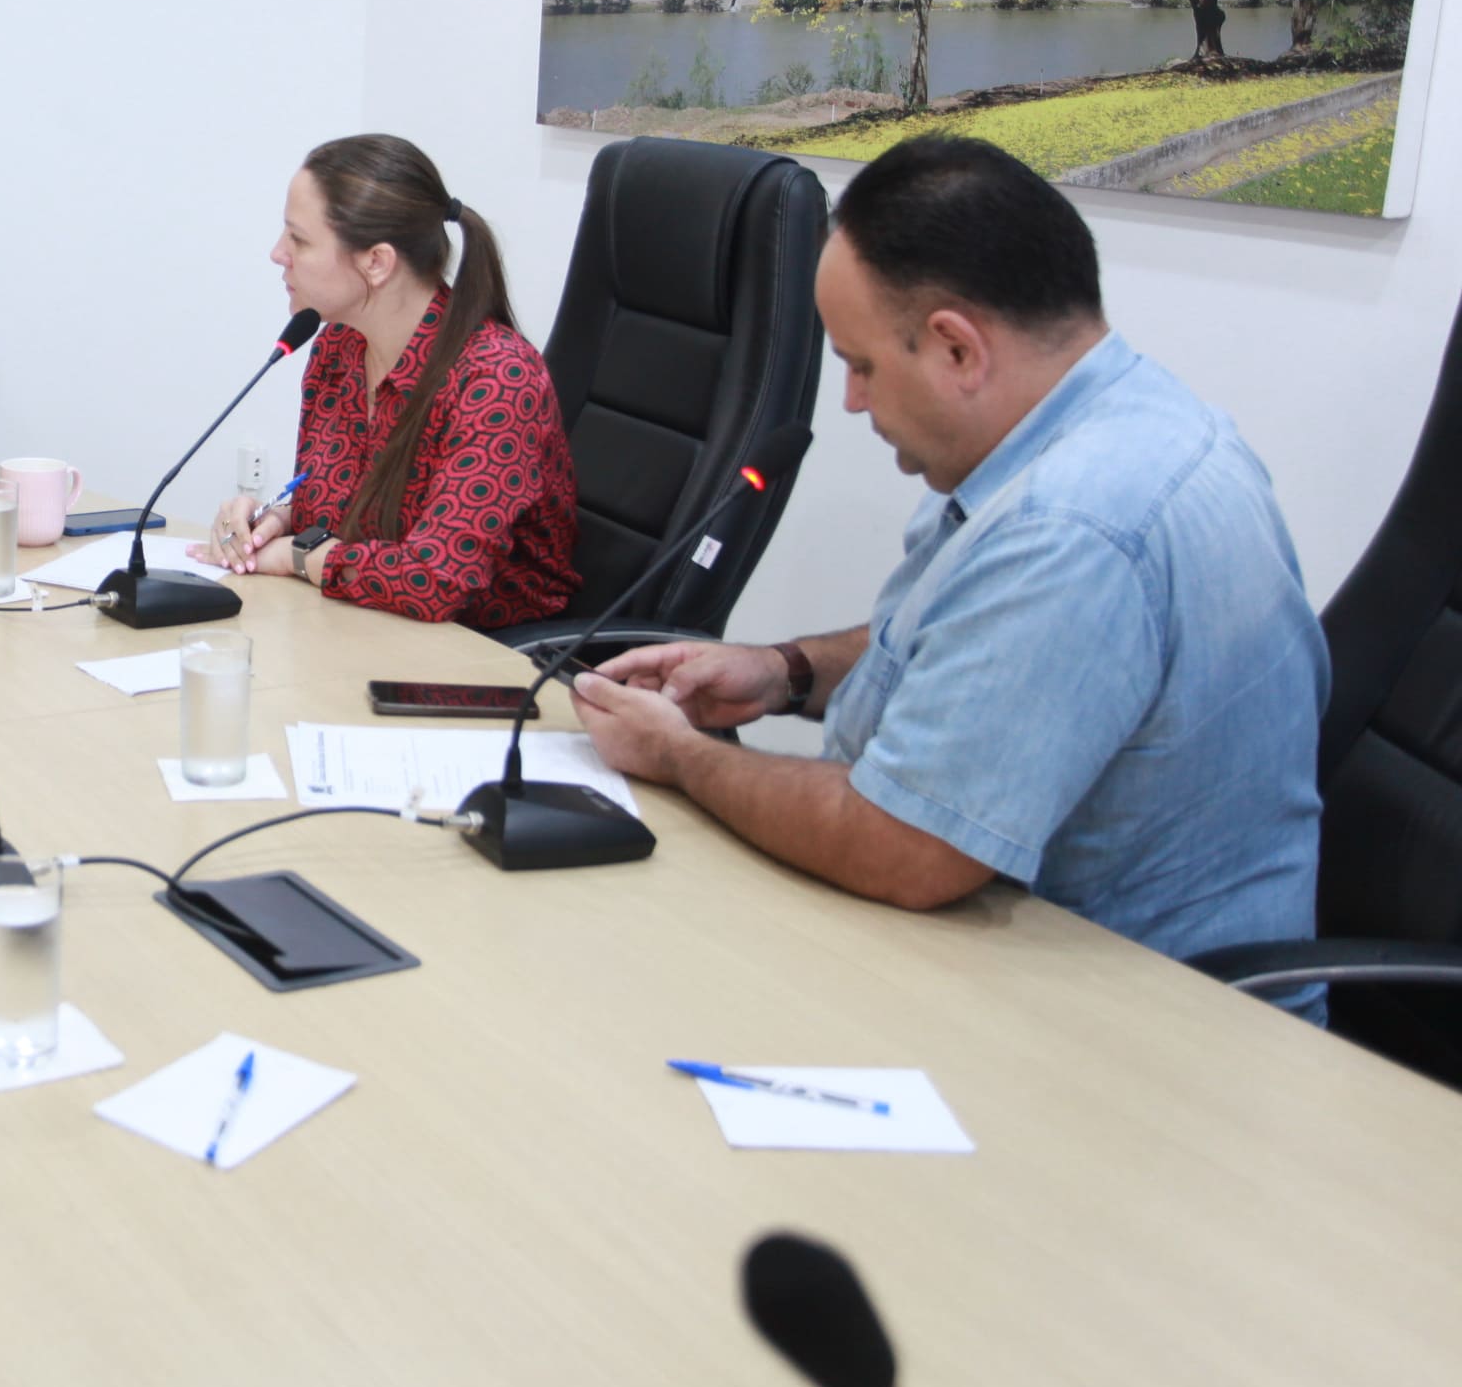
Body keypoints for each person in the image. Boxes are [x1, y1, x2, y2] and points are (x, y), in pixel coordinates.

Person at [569, 136, 1327, 1015]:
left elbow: (903, 847)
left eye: (860, 365)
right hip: (1006, 955)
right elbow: (961, 633)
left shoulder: (1075, 529)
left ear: (958, 349)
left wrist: (677, 755)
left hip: (1132, 1030)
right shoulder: (1111, 420)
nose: (851, 401)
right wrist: (786, 672)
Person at [196, 133, 578, 628]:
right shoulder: (339, 345)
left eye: (299, 239)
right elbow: (339, 508)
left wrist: (298, 557)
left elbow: (437, 579)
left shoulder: (498, 378)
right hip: (367, 626)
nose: (277, 253)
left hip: (487, 656)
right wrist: (273, 523)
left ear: (376, 262)